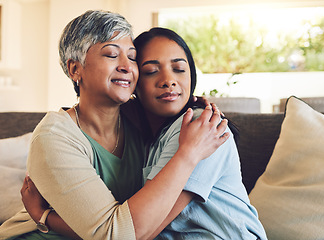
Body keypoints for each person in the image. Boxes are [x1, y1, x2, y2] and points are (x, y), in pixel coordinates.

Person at [16, 26, 268, 239]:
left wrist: (44, 217)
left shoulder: (201, 128)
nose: (169, 80)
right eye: (150, 71)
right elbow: (118, 227)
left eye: (179, 69)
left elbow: (138, 232)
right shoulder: (140, 129)